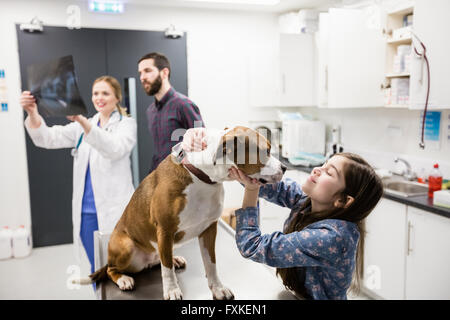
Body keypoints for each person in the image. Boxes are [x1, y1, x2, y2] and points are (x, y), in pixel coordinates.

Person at [182, 128, 383, 300]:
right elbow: (274, 187)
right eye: (323, 164)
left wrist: (251, 190)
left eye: (329, 173)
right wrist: (204, 137)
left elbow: (252, 246)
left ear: (343, 201)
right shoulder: (309, 202)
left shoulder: (332, 238)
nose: (316, 170)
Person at [21, 76, 137, 279]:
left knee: (121, 267)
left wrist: (83, 121)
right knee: (97, 268)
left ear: (117, 98)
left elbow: (115, 149)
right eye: (95, 93)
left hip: (117, 212)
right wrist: (32, 113)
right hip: (86, 215)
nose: (99, 98)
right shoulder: (82, 129)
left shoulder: (126, 125)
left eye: (105, 93)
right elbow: (47, 138)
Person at [138, 52, 205, 173]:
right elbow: (159, 152)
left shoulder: (184, 105)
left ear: (164, 72)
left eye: (147, 71)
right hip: (161, 178)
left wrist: (175, 164)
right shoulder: (151, 111)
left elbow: (202, 143)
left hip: (184, 179)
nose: (142, 77)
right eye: (140, 73)